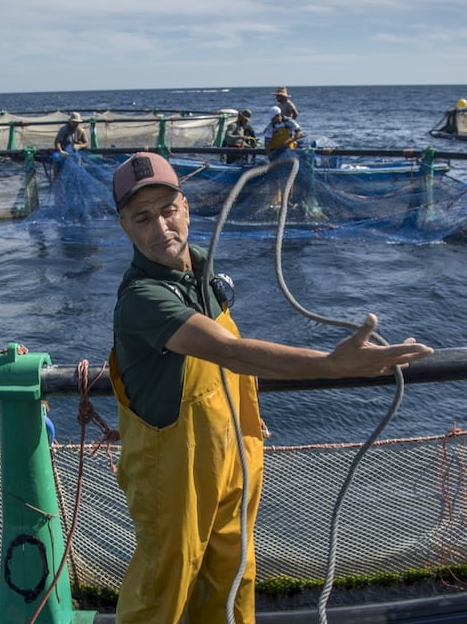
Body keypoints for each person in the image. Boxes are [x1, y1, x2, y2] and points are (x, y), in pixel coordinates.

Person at [108, 152, 433, 623]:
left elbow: (228, 368)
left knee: (232, 576)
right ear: (124, 226)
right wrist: (333, 365)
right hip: (171, 472)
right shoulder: (142, 298)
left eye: (167, 210)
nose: (161, 228)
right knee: (165, 586)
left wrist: (245, 421)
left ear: (186, 207)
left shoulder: (203, 269)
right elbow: (229, 352)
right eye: (143, 218)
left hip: (231, 457)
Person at [52, 112, 90, 179]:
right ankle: (57, 178)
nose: (76, 124)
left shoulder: (81, 131)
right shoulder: (64, 130)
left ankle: (76, 176)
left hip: (75, 152)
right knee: (56, 159)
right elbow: (57, 142)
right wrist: (61, 151)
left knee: (77, 160)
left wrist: (80, 146)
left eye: (78, 122)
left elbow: (87, 143)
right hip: (64, 151)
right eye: (74, 122)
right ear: (71, 121)